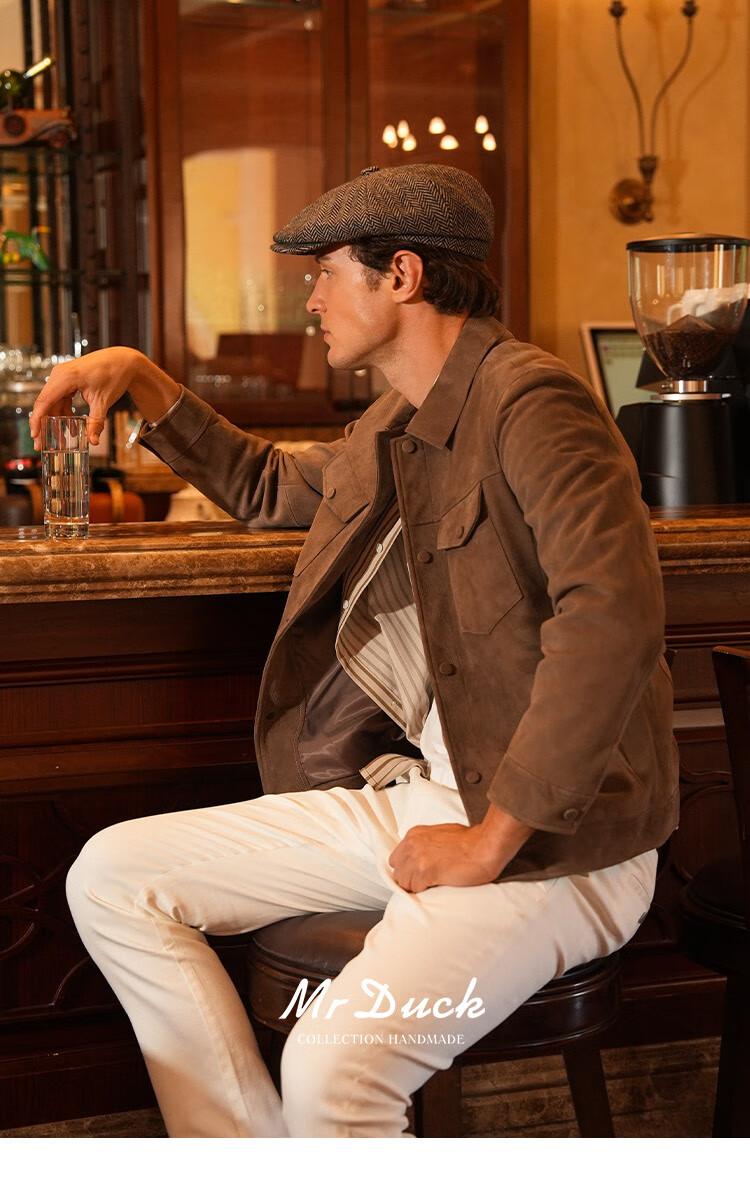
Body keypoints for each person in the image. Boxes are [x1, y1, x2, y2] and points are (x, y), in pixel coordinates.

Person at [29, 163, 679, 1138]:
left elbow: (612, 620)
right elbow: (269, 487)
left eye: (325, 272)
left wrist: (490, 839)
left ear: (401, 275)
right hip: (430, 799)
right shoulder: (397, 422)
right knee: (112, 877)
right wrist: (147, 384)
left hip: (561, 843)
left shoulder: (536, 403)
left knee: (332, 1073)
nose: (310, 299)